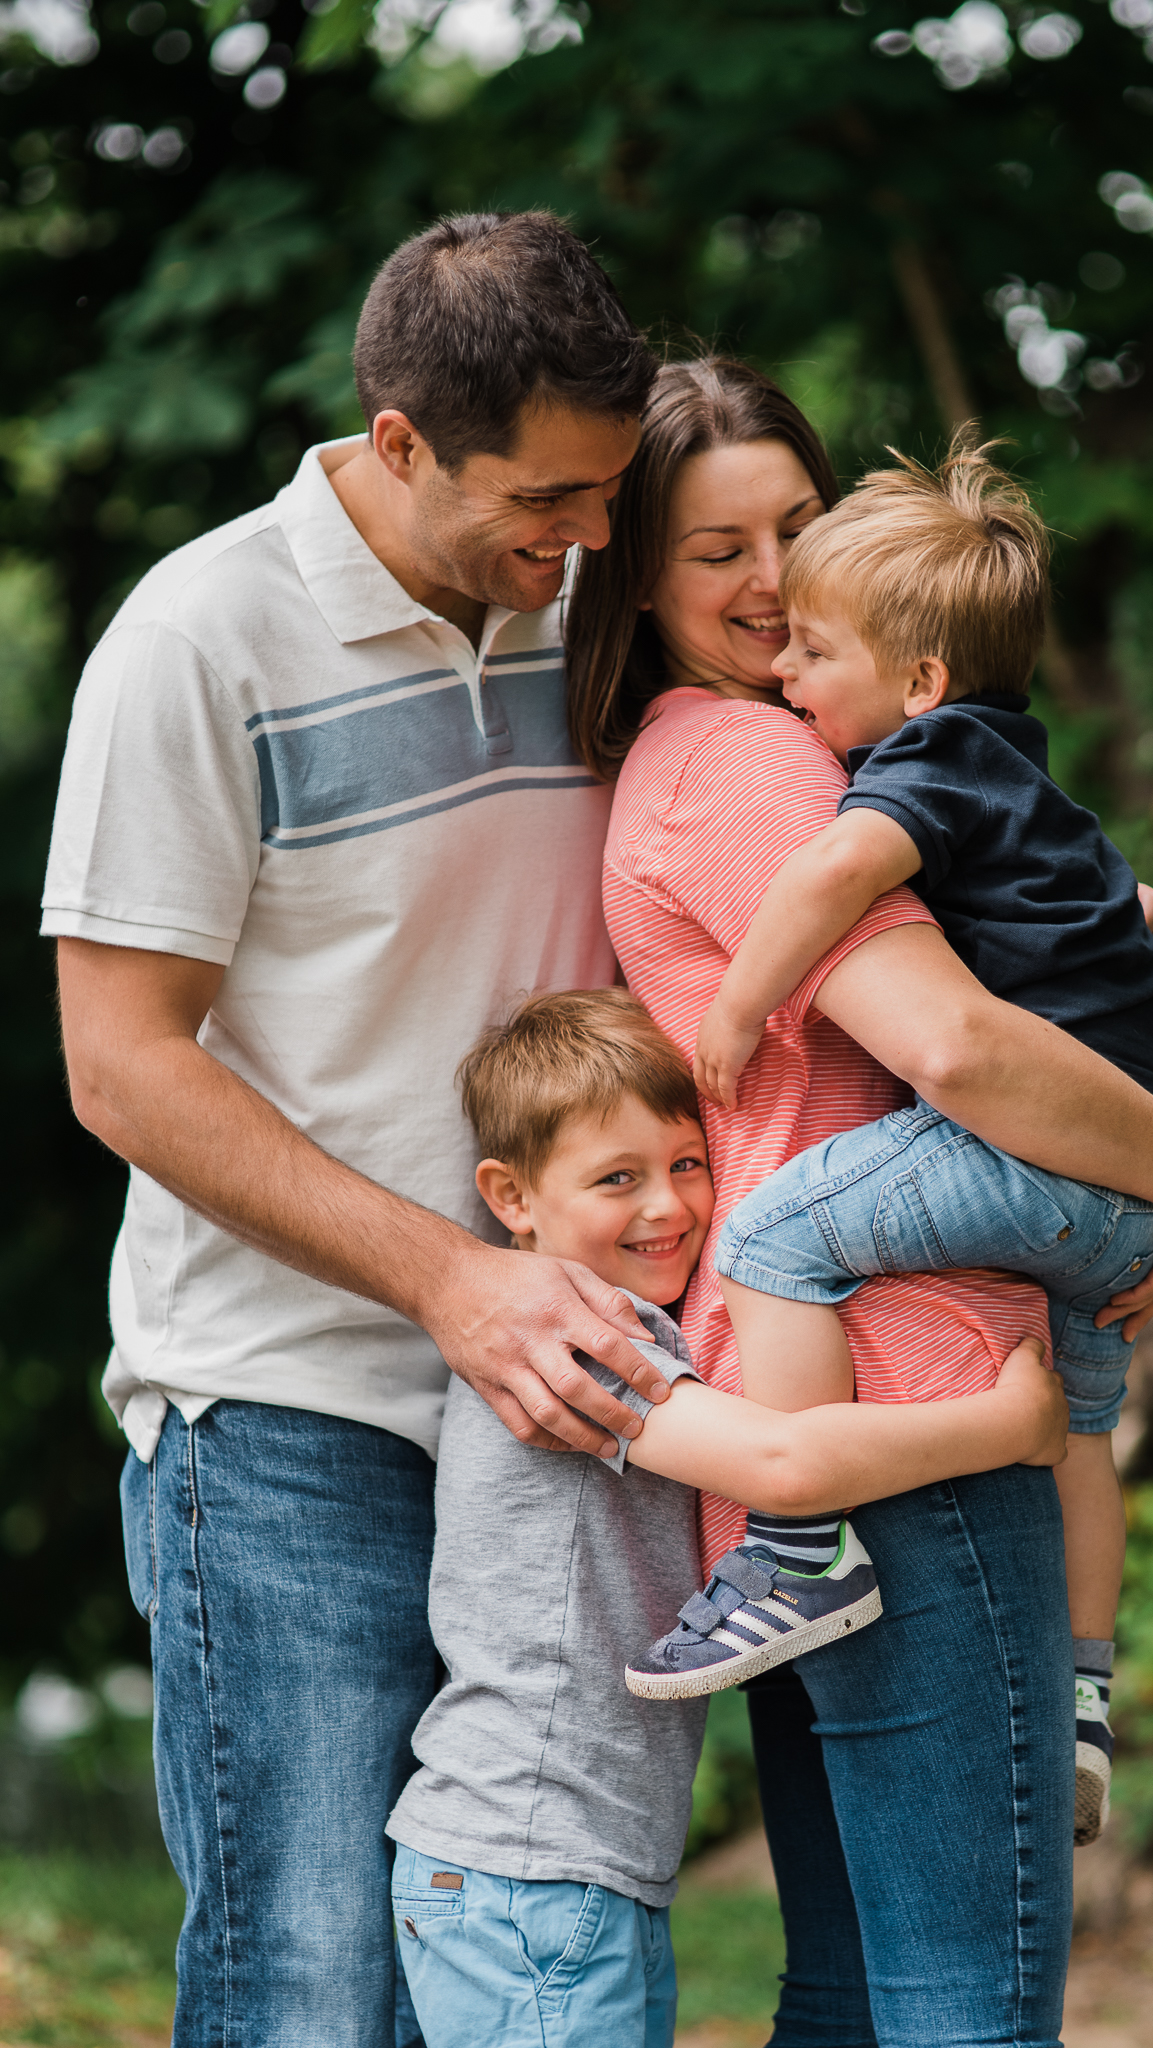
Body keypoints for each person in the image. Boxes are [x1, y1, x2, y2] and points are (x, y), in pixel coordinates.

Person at [565, 353, 1153, 2046]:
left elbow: (1048, 946)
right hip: (922, 1397)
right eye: (711, 546)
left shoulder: (728, 754)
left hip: (836, 1409)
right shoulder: (759, 768)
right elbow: (953, 1040)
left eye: (793, 529)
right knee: (969, 1999)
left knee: (860, 1991)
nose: (766, 579)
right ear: (638, 574)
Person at [41, 212, 673, 2047]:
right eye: (541, 499)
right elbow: (123, 1065)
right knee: (311, 1989)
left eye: (606, 493)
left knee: (502, 1980)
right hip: (288, 1407)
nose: (582, 540)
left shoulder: (601, 604)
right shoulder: (197, 635)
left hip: (555, 1415)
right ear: (398, 440)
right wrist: (454, 1283)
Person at [665, 434, 1153, 1843]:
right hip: (1119, 1192)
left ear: (913, 684)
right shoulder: (1024, 777)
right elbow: (1131, 913)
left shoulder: (918, 763)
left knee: (773, 1232)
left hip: (1042, 1170)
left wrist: (737, 1003)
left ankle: (795, 1550)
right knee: (1081, 1428)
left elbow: (834, 869)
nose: (788, 676)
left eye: (814, 653)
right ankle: (1084, 1693)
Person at [389, 987, 1066, 2048]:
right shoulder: (568, 1338)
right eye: (617, 1178)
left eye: (686, 1163)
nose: (667, 1206)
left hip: (569, 1864)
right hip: (525, 1865)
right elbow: (785, 1463)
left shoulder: (636, 1312)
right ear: (509, 1194)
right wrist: (1006, 1422)